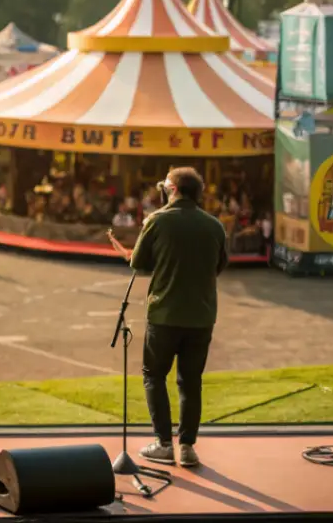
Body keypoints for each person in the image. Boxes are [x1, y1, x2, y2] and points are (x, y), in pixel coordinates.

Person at [108, 167, 227, 469]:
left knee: (154, 375)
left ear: (172, 190)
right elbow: (219, 265)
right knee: (191, 382)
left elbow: (138, 263)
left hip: (164, 314)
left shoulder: (158, 220)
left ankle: (163, 443)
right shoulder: (214, 226)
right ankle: (187, 447)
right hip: (201, 316)